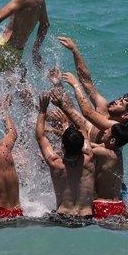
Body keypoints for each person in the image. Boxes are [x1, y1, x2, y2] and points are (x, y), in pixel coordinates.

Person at [48, 88, 128, 219]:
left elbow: (81, 144)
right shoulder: (114, 152)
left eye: (106, 132)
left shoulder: (103, 152)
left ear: (112, 140)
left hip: (103, 206)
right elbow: (89, 143)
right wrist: (55, 131)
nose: (103, 132)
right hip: (119, 204)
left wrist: (65, 124)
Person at [56, 36, 128, 133]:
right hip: (83, 135)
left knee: (66, 112)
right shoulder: (103, 107)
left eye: (121, 103)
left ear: (125, 116)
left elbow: (87, 112)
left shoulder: (115, 128)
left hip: (85, 145)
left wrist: (75, 84)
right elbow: (87, 82)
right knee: (60, 110)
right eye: (119, 99)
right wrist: (75, 50)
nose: (116, 101)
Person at [36, 93, 95, 222]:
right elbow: (82, 127)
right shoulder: (89, 158)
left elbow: (40, 137)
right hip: (87, 218)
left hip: (62, 217)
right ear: (82, 146)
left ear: (62, 146)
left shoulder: (55, 163)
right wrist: (64, 107)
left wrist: (42, 110)